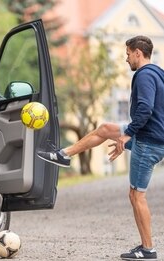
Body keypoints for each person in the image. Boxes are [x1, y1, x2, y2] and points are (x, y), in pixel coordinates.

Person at [38, 35, 164, 260]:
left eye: (127, 54)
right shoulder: (158, 73)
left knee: (136, 195)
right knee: (105, 128)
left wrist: (127, 135)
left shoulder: (144, 75)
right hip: (152, 135)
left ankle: (148, 249)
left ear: (138, 53)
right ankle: (64, 154)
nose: (126, 59)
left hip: (148, 140)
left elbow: (145, 109)